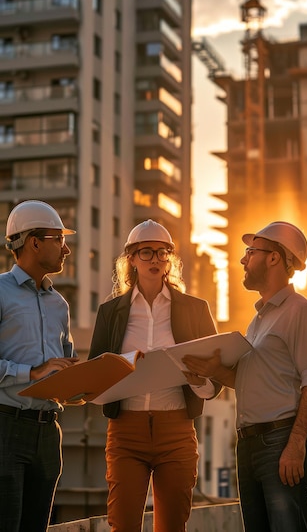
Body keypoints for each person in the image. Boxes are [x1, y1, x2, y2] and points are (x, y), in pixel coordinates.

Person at [182, 221, 307, 532]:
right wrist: (213, 371)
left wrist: (296, 442)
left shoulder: (300, 312)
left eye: (250, 252)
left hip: (280, 442)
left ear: (274, 258)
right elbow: (251, 380)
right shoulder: (260, 319)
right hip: (249, 445)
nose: (243, 260)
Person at [88, 219, 222, 532]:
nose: (155, 260)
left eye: (162, 253)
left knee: (173, 526)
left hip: (176, 430)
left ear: (170, 260)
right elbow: (94, 372)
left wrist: (198, 377)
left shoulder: (195, 309)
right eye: (146, 253)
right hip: (126, 432)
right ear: (131, 259)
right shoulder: (111, 312)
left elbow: (216, 381)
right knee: (123, 524)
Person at [0, 200, 79, 532]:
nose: (67, 249)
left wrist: (79, 386)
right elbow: (42, 369)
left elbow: (63, 363)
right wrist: (31, 373)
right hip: (6, 429)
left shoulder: (59, 304)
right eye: (59, 239)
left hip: (49, 434)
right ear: (34, 241)